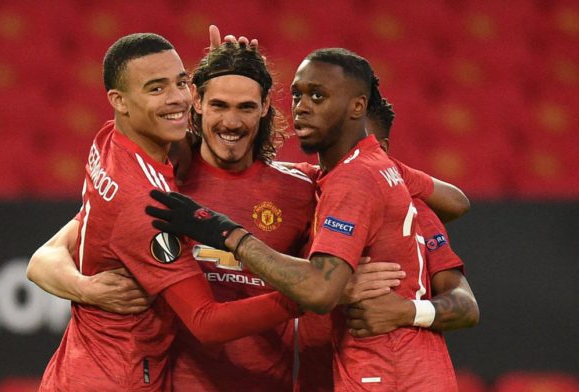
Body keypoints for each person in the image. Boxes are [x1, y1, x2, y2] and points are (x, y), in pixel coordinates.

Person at [147, 48, 459, 391]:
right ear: (197, 102)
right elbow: (83, 233)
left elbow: (455, 202)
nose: (232, 122)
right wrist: (78, 284)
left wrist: (375, 166)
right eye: (219, 105)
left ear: (265, 107)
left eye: (246, 107)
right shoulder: (164, 181)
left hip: (271, 383)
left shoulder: (308, 185)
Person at [36, 33, 310, 392]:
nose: (176, 98)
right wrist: (310, 292)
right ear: (119, 101)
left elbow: (44, 255)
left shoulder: (110, 142)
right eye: (156, 88)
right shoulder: (153, 202)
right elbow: (205, 321)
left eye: (181, 83)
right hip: (120, 379)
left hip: (85, 371)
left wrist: (83, 288)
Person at [295, 98, 479, 391]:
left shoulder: (417, 212)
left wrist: (407, 311)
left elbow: (467, 307)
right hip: (315, 377)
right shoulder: (304, 193)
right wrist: (333, 286)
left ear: (381, 150)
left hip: (391, 375)